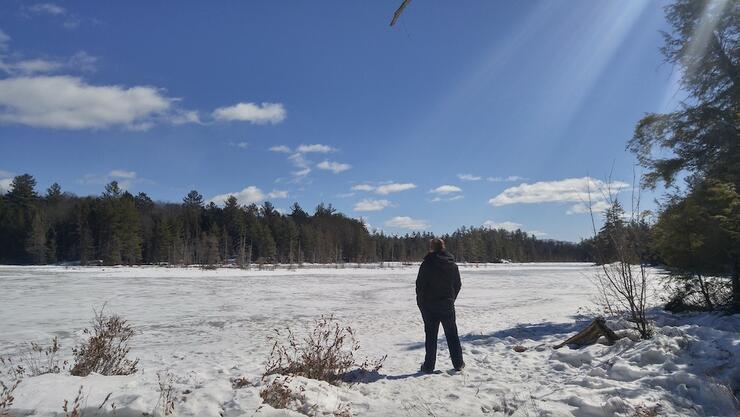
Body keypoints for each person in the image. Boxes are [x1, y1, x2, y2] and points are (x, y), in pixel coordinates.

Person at [415, 238, 464, 373]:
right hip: (446, 305)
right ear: (443, 247)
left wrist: (421, 304)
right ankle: (458, 363)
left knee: (431, 336)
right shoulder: (452, 264)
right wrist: (451, 299)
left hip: (430, 306)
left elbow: (420, 286)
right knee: (452, 335)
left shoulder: (427, 264)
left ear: (432, 248)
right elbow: (457, 285)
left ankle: (429, 366)